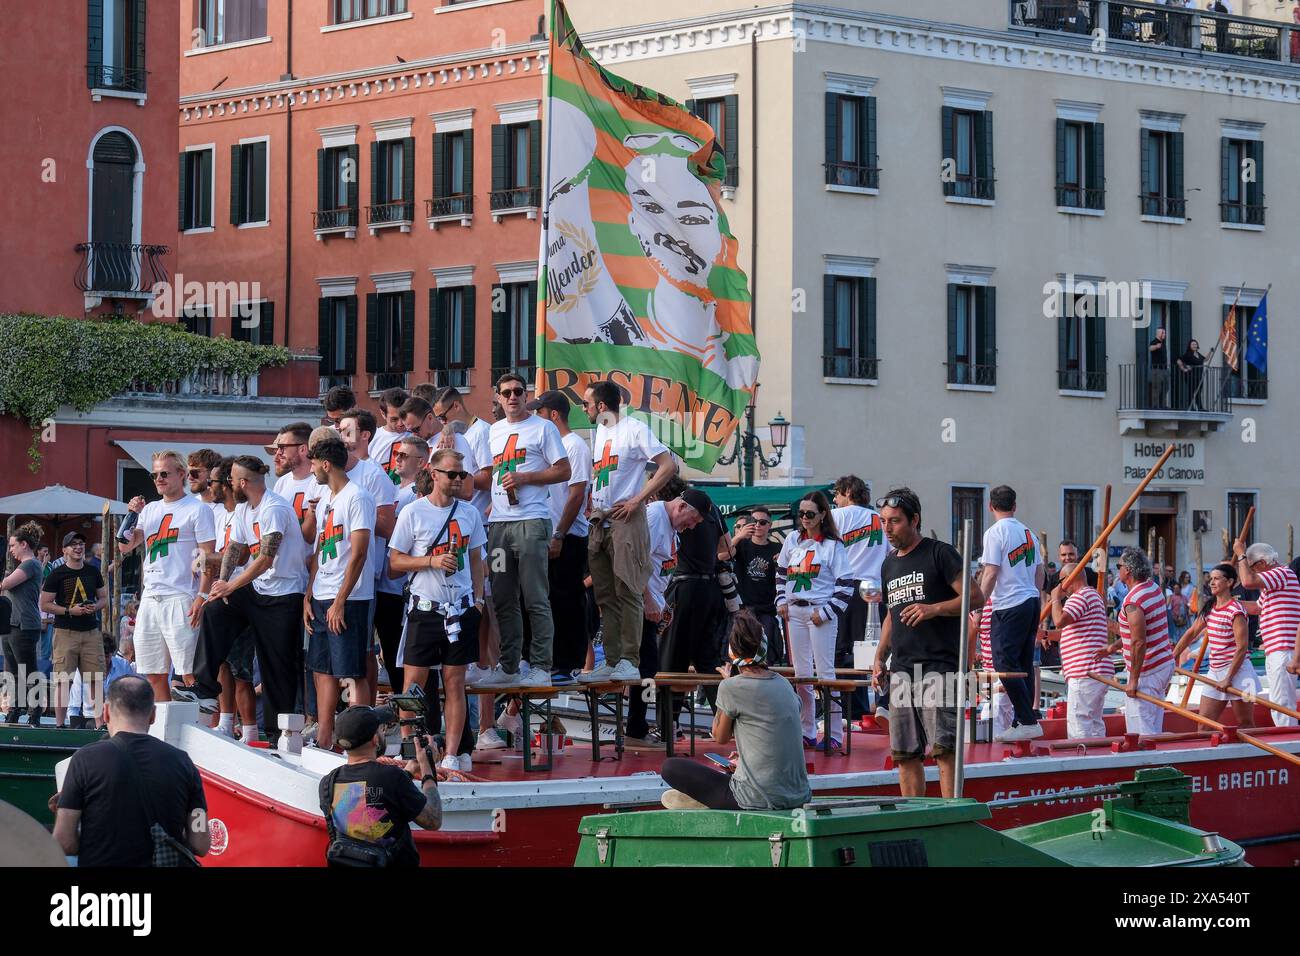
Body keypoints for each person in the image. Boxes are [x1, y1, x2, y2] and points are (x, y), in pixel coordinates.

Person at [176, 456, 311, 748]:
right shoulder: (242, 509)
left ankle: (279, 736)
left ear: (242, 483)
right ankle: (206, 687)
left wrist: (230, 586)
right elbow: (235, 551)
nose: (227, 486)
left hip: (284, 594)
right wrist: (219, 586)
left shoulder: (273, 508)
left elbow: (264, 558)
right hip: (257, 589)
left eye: (230, 481)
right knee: (214, 610)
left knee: (277, 665)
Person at [387, 448, 487, 772]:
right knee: (413, 682)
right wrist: (430, 560)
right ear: (434, 472)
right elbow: (395, 562)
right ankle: (409, 750)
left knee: (455, 682)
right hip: (425, 607)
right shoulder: (413, 512)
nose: (458, 480)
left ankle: (452, 755)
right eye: (452, 474)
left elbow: (476, 560)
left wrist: (479, 600)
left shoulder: (469, 512)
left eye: (462, 475)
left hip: (459, 607)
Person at [472, 373, 571, 687]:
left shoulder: (543, 428)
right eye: (506, 393)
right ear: (499, 398)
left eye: (518, 391)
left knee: (535, 596)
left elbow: (563, 470)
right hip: (500, 524)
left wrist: (526, 478)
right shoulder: (494, 431)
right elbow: (492, 474)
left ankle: (541, 665)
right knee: (502, 595)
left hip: (531, 521)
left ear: (525, 395)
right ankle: (509, 664)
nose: (513, 397)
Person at [874, 488, 972, 797]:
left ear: (914, 519)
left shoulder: (939, 553)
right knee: (905, 755)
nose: (888, 529)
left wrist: (934, 609)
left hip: (939, 666)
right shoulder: (889, 564)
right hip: (902, 669)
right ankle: (914, 820)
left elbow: (975, 596)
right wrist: (879, 656)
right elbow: (892, 615)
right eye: (883, 522)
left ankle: (951, 818)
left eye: (895, 521)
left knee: (944, 750)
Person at [660, 611, 811, 810]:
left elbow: (720, 737)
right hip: (799, 795)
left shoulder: (731, 687)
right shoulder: (784, 683)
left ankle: (704, 803)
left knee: (670, 767)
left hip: (757, 797)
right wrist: (744, 759)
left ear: (732, 653)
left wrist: (727, 687)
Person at [53, 675, 210, 866]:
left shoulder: (84, 760)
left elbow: (64, 841)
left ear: (106, 712)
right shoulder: (183, 763)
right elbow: (200, 842)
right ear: (152, 715)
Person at [580, 379, 677, 683]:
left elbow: (667, 465)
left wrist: (638, 499)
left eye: (587, 403)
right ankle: (611, 659)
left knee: (628, 589)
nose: (584, 408)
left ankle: (629, 660)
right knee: (605, 594)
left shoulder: (634, 428)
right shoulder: (601, 433)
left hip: (625, 519)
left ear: (602, 405)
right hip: (601, 520)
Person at [118, 451, 217, 702]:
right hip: (151, 595)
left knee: (188, 673)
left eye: (165, 473)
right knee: (153, 672)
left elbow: (208, 557)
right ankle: (162, 723)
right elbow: (125, 546)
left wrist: (202, 596)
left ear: (181, 474)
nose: (159, 479)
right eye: (155, 475)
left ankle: (202, 727)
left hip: (181, 594)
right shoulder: (150, 509)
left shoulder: (197, 509)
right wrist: (131, 514)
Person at [302, 436, 377, 750]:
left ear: (325, 463)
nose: (312, 471)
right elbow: (321, 549)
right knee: (322, 669)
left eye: (314, 464)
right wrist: (309, 595)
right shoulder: (327, 499)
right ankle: (324, 738)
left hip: (349, 597)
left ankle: (358, 739)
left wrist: (340, 601)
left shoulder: (357, 497)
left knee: (352, 670)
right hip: (322, 594)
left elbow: (359, 553)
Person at [319, 705, 442, 867]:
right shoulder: (392, 777)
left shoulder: (328, 782)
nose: (382, 733)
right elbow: (433, 820)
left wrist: (409, 772)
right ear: (375, 740)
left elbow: (373, 790)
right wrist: (427, 769)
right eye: (381, 730)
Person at [629, 490, 706, 745]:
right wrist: (649, 599)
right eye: (692, 519)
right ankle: (635, 728)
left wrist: (662, 603)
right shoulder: (654, 517)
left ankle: (638, 725)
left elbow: (661, 567)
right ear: (681, 506)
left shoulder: (671, 525)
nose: (692, 526)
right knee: (647, 666)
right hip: (640, 603)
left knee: (649, 665)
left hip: (653, 604)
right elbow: (635, 560)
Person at [525, 390, 593, 682]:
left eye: (539, 413)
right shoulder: (548, 447)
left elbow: (576, 493)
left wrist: (559, 533)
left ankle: (566, 662)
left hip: (568, 535)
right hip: (545, 532)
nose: (535, 418)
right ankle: (544, 658)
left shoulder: (574, 445)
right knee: (544, 598)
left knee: (566, 598)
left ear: (553, 415)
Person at [777, 491, 851, 750]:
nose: (805, 518)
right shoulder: (792, 540)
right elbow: (781, 572)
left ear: (822, 515)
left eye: (810, 514)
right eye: (801, 514)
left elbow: (846, 585)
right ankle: (807, 730)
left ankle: (833, 734)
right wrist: (780, 601)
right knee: (802, 676)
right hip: (795, 613)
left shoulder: (833, 546)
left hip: (819, 612)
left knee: (826, 674)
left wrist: (827, 612)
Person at [195, 457, 258, 743]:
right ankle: (226, 721)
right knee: (222, 664)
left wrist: (206, 558)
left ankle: (250, 729)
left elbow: (242, 555)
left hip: (245, 593)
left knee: (241, 668)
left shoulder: (244, 511)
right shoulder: (219, 515)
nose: (210, 488)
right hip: (224, 593)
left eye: (215, 482)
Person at [659, 484, 733, 728]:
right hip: (711, 589)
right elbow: (727, 549)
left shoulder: (674, 513)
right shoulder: (713, 511)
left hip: (684, 587)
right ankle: (726, 722)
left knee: (671, 658)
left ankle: (667, 725)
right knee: (708, 659)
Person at [978, 485, 1045, 741]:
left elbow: (991, 572)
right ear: (1015, 506)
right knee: (1024, 662)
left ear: (990, 506)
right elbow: (1040, 573)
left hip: (1008, 604)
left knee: (1004, 662)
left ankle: (1027, 719)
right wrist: (1035, 596)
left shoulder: (994, 533)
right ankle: (1022, 720)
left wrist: (979, 603)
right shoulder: (1029, 533)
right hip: (1030, 601)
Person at [375, 435, 431, 696]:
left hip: (409, 587)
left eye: (403, 455)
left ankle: (421, 720)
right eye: (396, 453)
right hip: (388, 584)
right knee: (391, 653)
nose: (396, 458)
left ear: (421, 462)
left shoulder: (420, 495)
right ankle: (403, 714)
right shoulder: (393, 490)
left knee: (414, 658)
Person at [830, 475, 888, 718]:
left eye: (837, 493)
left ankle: (851, 711)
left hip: (849, 588)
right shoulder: (880, 519)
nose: (834, 499)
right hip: (876, 588)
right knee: (871, 651)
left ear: (848, 493)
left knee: (843, 651)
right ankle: (877, 705)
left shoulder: (837, 516)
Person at [1102, 548, 1176, 734]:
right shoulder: (1153, 587)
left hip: (1147, 671)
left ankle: (1148, 761)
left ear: (1127, 570)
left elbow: (1138, 642)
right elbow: (1141, 631)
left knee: (1141, 728)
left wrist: (1133, 680)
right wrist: (1114, 645)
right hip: (1163, 664)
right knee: (1153, 721)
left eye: (1119, 566)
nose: (1117, 570)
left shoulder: (1133, 601)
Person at [1173, 564, 1256, 727]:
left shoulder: (1236, 611)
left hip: (1242, 673)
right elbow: (1192, 632)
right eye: (1211, 579)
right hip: (1215, 671)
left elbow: (1242, 648)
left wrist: (1229, 678)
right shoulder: (1211, 608)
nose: (1211, 582)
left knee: (1246, 723)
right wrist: (1173, 656)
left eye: (1217, 578)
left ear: (1230, 582)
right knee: (1203, 725)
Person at [40, 532, 107, 728]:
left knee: (95, 679)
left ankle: (99, 725)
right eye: (73, 545)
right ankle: (60, 725)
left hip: (91, 632)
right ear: (64, 550)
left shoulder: (93, 571)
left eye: (81, 544)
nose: (78, 547)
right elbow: (44, 604)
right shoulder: (56, 574)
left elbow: (103, 598)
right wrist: (70, 610)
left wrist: (95, 606)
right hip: (64, 633)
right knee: (63, 680)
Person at [1234, 542, 1300, 726]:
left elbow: (1247, 581)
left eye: (1254, 568)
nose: (1254, 572)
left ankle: (1289, 743)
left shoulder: (1280, 574)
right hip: (1276, 650)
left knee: (1282, 704)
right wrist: (1226, 605)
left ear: (1262, 563)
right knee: (1279, 701)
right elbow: (1256, 608)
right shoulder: (1274, 584)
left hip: (1283, 649)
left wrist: (1240, 554)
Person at [1045, 561, 1113, 739]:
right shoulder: (1093, 596)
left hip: (1085, 672)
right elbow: (1068, 632)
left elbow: (1059, 620)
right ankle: (1099, 758)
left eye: (1061, 581)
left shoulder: (1079, 597)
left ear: (1069, 579)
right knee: (1095, 722)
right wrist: (1045, 634)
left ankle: (1081, 760)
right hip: (1096, 672)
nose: (1060, 587)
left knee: (1079, 723)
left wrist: (1055, 599)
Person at [2, 523, 47, 725]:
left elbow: (5, 584)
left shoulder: (30, 564)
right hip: (11, 623)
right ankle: (15, 708)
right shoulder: (23, 565)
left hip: (25, 624)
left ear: (24, 544)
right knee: (11, 671)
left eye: (13, 545)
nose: (11, 550)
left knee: (27, 671)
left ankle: (35, 710)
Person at [731, 507, 784, 664]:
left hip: (767, 610)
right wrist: (739, 536)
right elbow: (721, 554)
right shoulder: (741, 545)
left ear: (770, 525)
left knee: (765, 654)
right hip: (744, 609)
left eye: (762, 522)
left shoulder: (778, 548)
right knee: (740, 652)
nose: (758, 525)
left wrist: (783, 560)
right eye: (754, 522)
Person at [270, 422, 322, 533]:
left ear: (303, 449)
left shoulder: (321, 482)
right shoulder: (282, 483)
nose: (278, 453)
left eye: (282, 447)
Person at [370, 386, 411, 483]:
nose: (401, 423)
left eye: (403, 416)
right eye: (394, 419)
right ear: (383, 414)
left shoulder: (419, 433)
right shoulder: (371, 439)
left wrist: (448, 430)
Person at [1176, 339, 1206, 410]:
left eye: (1195, 344)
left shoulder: (1198, 354)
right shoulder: (1188, 354)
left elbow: (1205, 360)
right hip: (1191, 376)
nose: (1194, 345)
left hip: (1199, 377)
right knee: (1191, 392)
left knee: (1198, 392)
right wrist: (1184, 368)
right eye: (1193, 344)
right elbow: (1179, 360)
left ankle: (1200, 407)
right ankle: (1191, 407)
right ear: (1190, 346)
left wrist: (1211, 352)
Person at [1147, 326, 1169, 409]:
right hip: (1156, 369)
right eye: (1163, 333)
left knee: (1165, 387)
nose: (1165, 334)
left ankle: (1163, 405)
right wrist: (1156, 346)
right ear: (1159, 333)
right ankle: (1155, 405)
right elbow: (1150, 348)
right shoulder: (1154, 342)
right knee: (1157, 388)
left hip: (1164, 369)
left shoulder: (1163, 343)